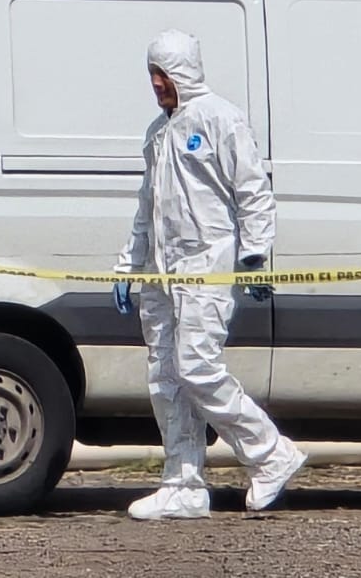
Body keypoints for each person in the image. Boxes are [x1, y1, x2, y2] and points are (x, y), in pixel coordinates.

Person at [112, 29, 305, 520]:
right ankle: (183, 484)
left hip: (205, 264)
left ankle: (270, 454)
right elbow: (147, 206)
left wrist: (255, 255)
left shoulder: (221, 118)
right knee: (166, 377)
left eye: (163, 73)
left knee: (197, 368)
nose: (157, 83)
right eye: (152, 74)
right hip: (161, 272)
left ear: (184, 71)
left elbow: (252, 190)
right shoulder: (158, 133)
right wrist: (129, 264)